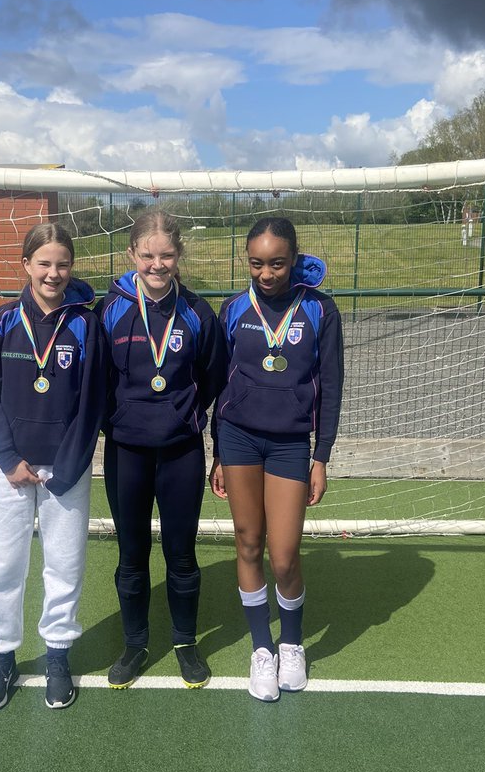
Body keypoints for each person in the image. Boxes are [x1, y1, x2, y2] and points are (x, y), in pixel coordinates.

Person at [0, 223, 106, 711]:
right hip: (9, 468)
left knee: (64, 565)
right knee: (2, 562)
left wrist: (68, 466)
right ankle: (1, 658)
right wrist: (7, 459)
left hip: (66, 470)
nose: (53, 273)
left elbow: (93, 403)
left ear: (71, 268)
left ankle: (57, 655)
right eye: (44, 263)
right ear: (25, 264)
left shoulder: (87, 325)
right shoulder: (1, 322)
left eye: (62, 264)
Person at [210, 216, 344, 702]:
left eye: (277, 263)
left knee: (284, 555)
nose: (266, 274)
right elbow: (217, 384)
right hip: (238, 438)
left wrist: (321, 455)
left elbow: (331, 387)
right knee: (248, 542)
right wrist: (218, 451)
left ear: (294, 259)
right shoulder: (231, 309)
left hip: (290, 445)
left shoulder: (319, 310)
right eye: (257, 264)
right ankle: (261, 649)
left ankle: (292, 643)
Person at [98, 211, 227, 689]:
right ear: (132, 254)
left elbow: (215, 380)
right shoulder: (109, 310)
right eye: (147, 255)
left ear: (179, 256)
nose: (157, 264)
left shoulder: (197, 313)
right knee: (132, 555)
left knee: (181, 554)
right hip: (126, 452)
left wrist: (185, 419)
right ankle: (134, 644)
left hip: (181, 452)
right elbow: (99, 380)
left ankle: (184, 642)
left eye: (167, 255)